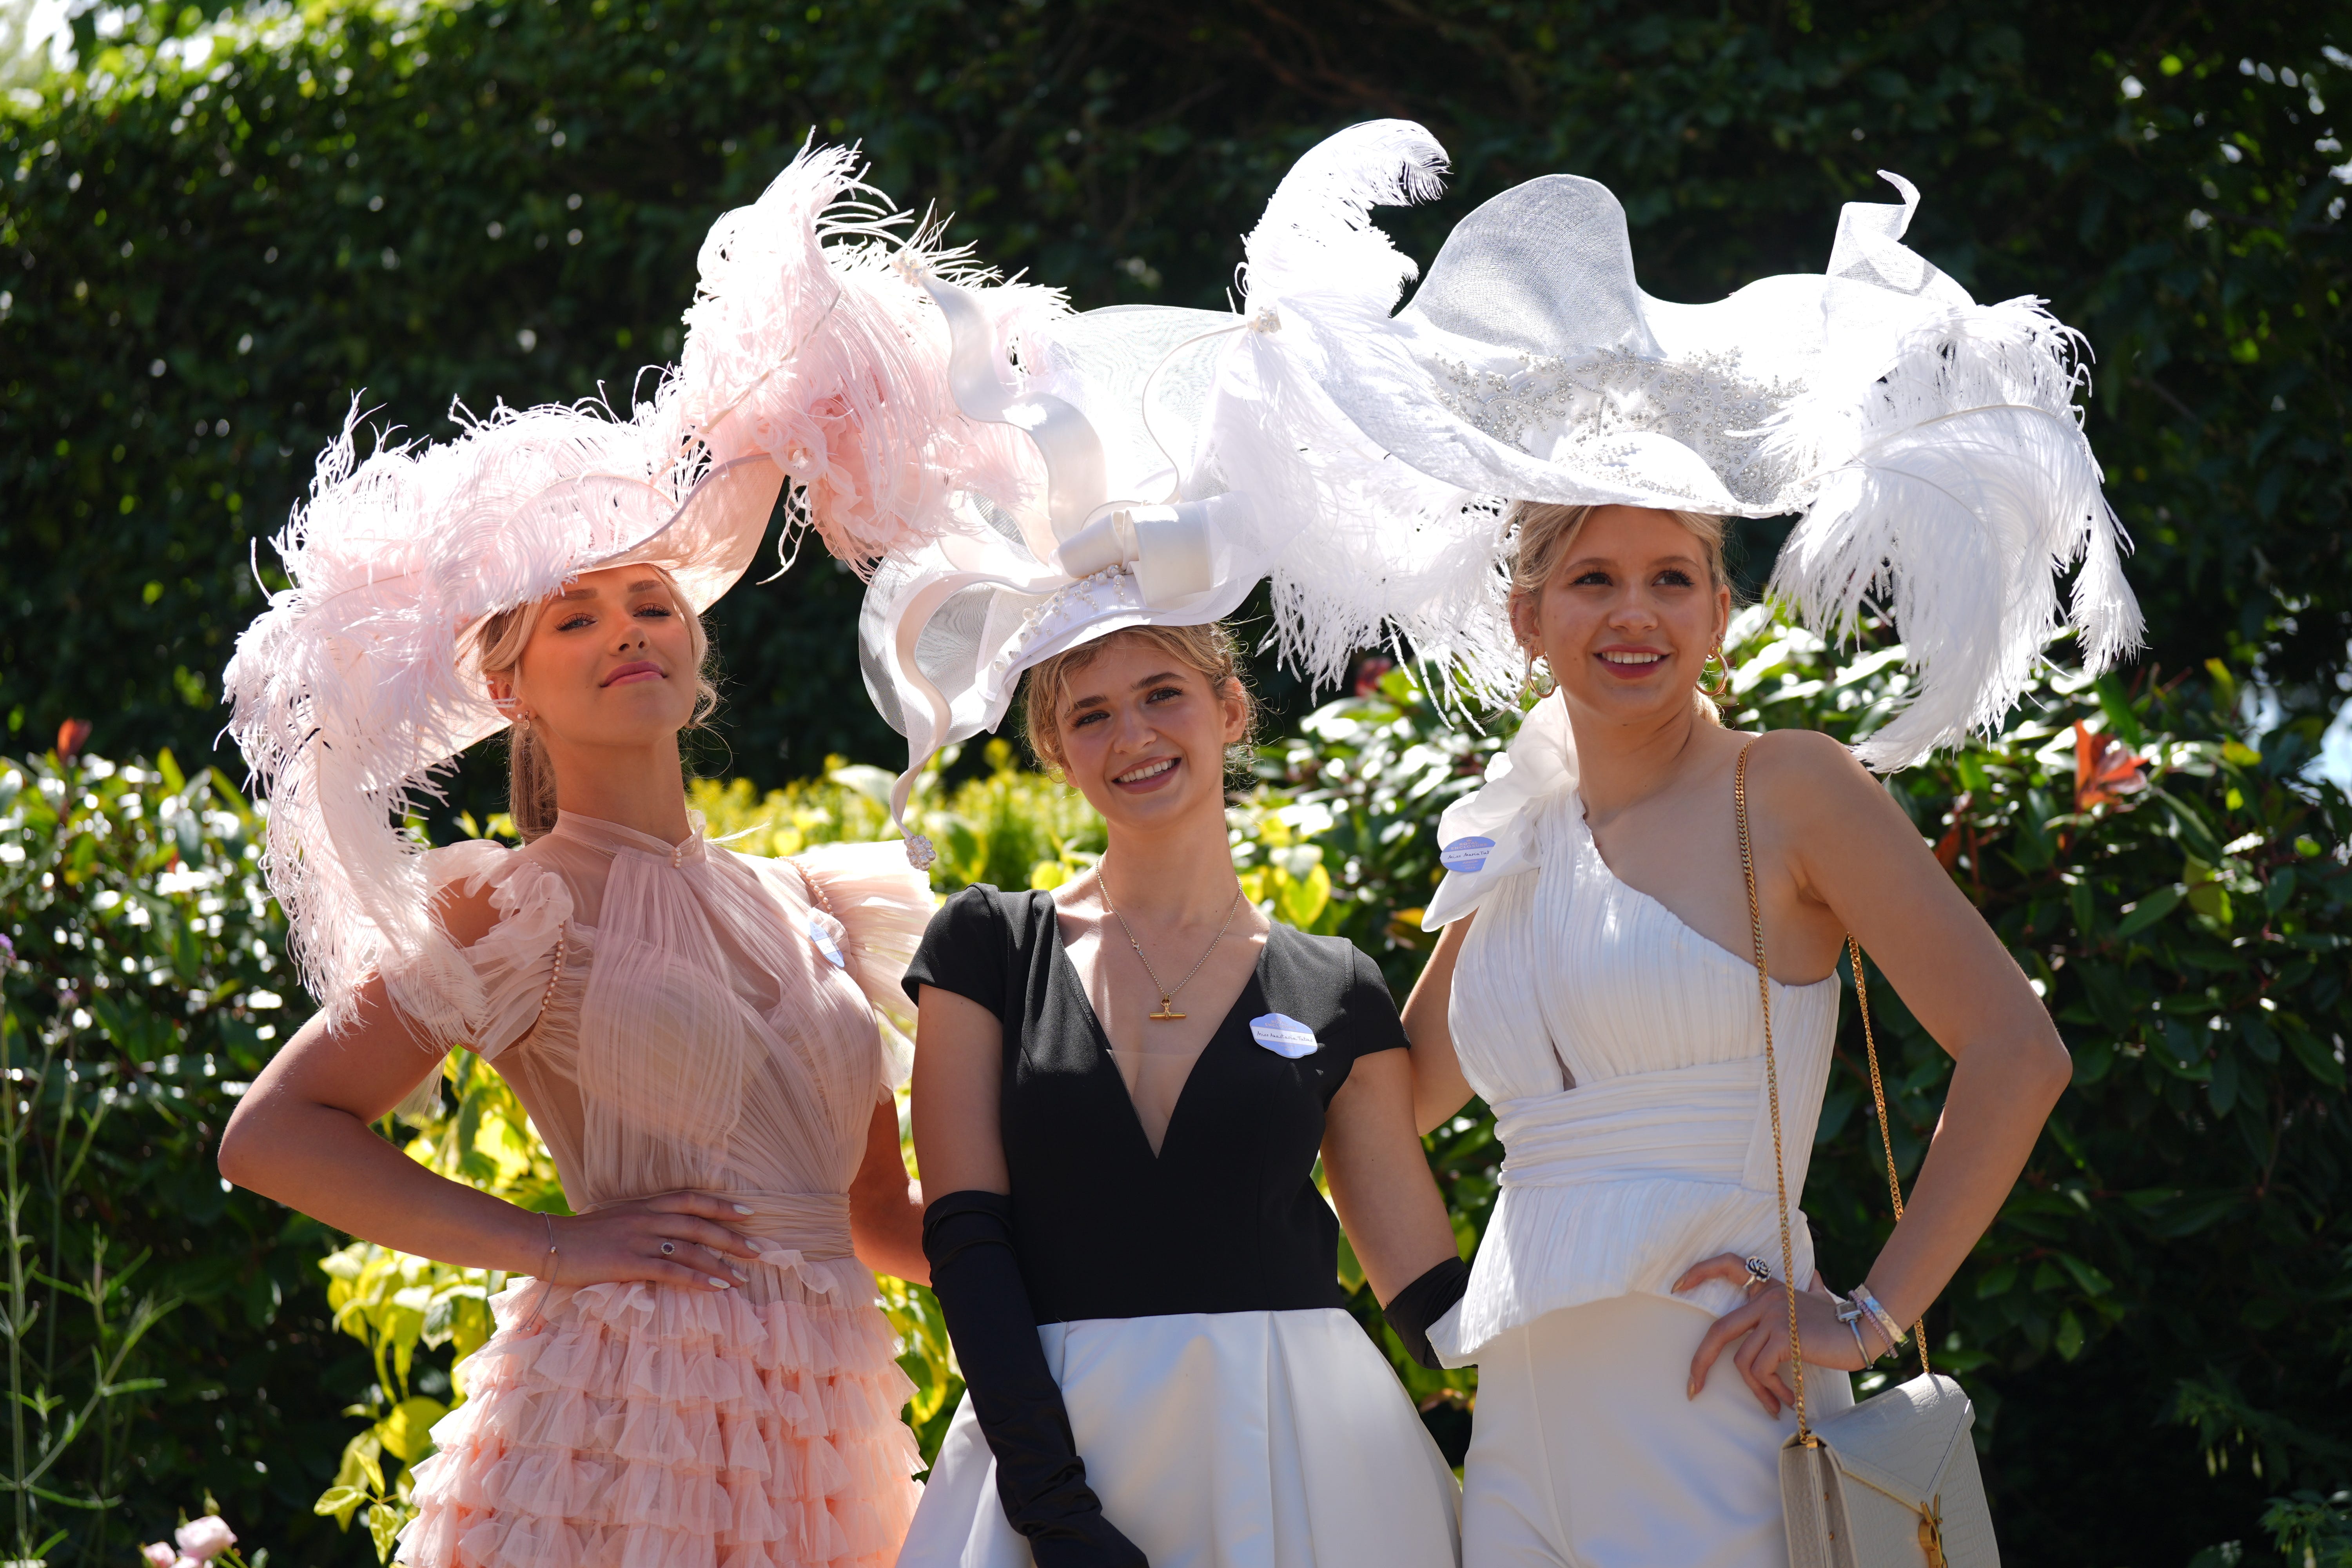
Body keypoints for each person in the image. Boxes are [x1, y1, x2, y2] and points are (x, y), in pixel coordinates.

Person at [1203, 134, 2142, 1565]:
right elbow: (1375, 1108)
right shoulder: (1515, 837)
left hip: (1727, 1404)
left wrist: (1868, 1314)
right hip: (1522, 1426)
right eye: (1591, 578)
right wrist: (1434, 1313)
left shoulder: (1797, 793)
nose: (1631, 614)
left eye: (1670, 578)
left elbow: (2023, 1050)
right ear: (1528, 616)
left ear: (1717, 609)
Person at [216, 143, 1038, 1568]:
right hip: (620, 1423)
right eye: (576, 619)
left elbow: (876, 1221)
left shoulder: (816, 905)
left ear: (699, 645)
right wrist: (552, 1247)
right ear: (514, 685)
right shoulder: (506, 907)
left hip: (825, 1424)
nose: (628, 633)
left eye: (650, 601)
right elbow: (274, 1138)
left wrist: (1080, 1254)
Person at [895, 622, 1467, 1568]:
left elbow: (1434, 1302)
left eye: (1163, 693)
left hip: (1309, 1465)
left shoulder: (1340, 984)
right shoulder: (985, 946)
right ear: (1057, 750)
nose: (1133, 735)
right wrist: (1050, 1504)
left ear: (1229, 708)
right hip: (1053, 1455)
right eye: (1092, 713)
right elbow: (966, 1238)